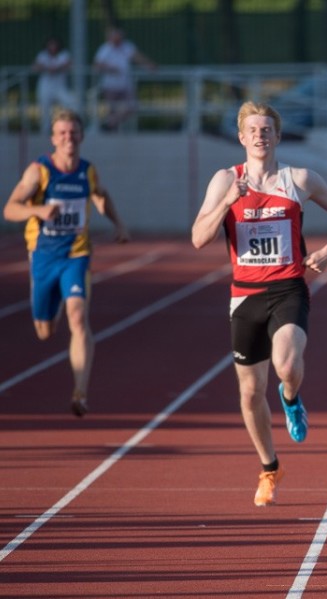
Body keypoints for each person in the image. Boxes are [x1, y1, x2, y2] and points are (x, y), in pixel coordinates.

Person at [191, 101, 327, 507]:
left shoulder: (297, 179)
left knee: (288, 366)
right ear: (241, 137)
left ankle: (291, 399)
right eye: (252, 130)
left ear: (277, 136)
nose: (260, 135)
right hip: (244, 297)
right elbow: (198, 237)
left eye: (267, 129)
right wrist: (227, 201)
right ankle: (270, 467)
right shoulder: (225, 179)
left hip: (288, 288)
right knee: (249, 393)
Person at [3, 109, 130, 417]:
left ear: (81, 136)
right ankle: (54, 300)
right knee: (44, 331)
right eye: (62, 133)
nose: (68, 138)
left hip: (76, 254)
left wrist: (118, 224)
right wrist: (39, 211)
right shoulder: (40, 171)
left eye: (73, 133)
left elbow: (101, 196)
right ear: (53, 138)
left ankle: (80, 392)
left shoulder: (87, 171)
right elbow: (10, 209)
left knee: (78, 316)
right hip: (44, 256)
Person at [92, 25, 155, 131]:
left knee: (132, 106)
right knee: (111, 109)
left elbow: (137, 57)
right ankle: (111, 129)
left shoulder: (127, 46)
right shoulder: (105, 48)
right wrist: (110, 68)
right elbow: (97, 64)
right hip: (110, 85)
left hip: (125, 84)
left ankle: (110, 124)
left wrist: (149, 65)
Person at [32, 36, 75, 134]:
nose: (53, 47)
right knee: (44, 109)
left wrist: (57, 68)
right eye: (50, 45)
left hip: (60, 87)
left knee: (71, 103)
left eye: (54, 44)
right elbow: (35, 66)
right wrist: (47, 68)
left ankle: (68, 127)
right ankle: (44, 130)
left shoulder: (64, 55)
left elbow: (69, 64)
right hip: (45, 86)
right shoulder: (42, 55)